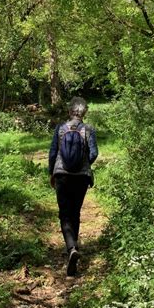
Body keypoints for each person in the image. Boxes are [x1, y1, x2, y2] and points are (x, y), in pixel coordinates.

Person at [48, 96, 98, 276]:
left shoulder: (60, 129)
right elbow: (93, 154)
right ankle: (73, 247)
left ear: (70, 111)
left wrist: (51, 173)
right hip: (81, 177)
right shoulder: (89, 130)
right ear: (84, 113)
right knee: (75, 212)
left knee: (64, 213)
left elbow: (53, 153)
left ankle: (71, 248)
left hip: (62, 175)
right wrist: (83, 163)